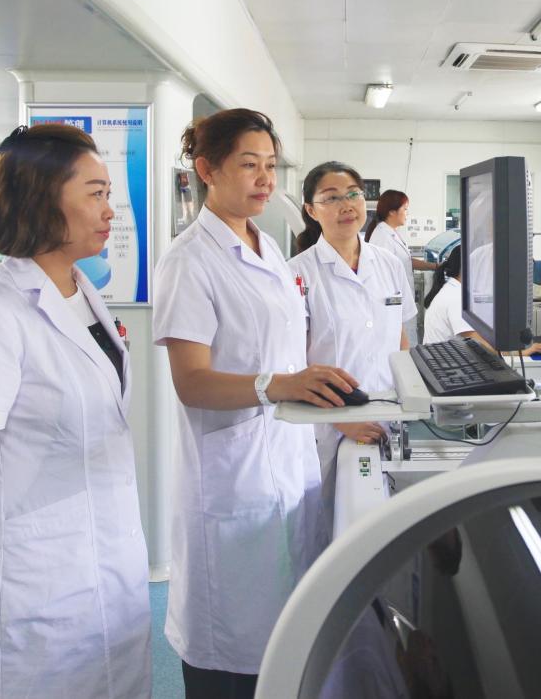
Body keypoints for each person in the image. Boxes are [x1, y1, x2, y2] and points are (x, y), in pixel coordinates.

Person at [0, 124, 151, 697]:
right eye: (95, 193)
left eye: (108, 193)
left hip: (106, 564)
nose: (110, 210)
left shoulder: (81, 293)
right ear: (42, 199)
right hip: (28, 583)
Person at [152, 109, 359, 698]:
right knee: (231, 662)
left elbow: (282, 354)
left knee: (282, 653)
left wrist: (322, 394)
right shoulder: (189, 260)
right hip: (232, 481)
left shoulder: (266, 246)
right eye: (249, 165)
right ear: (207, 170)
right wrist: (280, 385)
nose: (265, 178)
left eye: (270, 165)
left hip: (286, 466)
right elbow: (192, 382)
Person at [290, 162, 416, 539]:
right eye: (331, 198)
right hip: (325, 428)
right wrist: (338, 421)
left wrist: (408, 402)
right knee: (327, 534)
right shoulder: (297, 273)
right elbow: (292, 363)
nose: (346, 205)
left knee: (381, 531)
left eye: (353, 195)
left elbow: (400, 338)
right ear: (312, 210)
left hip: (386, 418)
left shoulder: (389, 264)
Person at [423, 246, 541, 355]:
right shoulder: (457, 298)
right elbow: (481, 344)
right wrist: (521, 353)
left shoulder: (454, 289)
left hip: (446, 359)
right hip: (446, 364)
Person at [365, 189, 436, 343]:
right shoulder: (382, 237)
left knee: (406, 343)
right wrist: (393, 308)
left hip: (400, 304)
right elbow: (380, 277)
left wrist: (435, 266)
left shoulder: (392, 233)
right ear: (392, 212)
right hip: (392, 306)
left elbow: (406, 261)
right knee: (401, 346)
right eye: (405, 209)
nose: (407, 213)